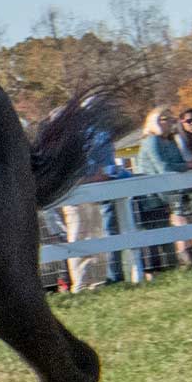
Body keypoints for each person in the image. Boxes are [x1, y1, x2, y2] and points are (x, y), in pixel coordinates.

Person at [59, 100, 116, 292]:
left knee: (96, 233)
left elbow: (106, 165)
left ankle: (98, 281)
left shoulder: (102, 134)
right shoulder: (70, 136)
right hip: (74, 193)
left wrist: (99, 176)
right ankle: (81, 284)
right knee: (79, 235)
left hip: (94, 191)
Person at [136, 107, 192, 269]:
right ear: (156, 122)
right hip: (150, 198)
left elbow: (179, 162)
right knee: (154, 238)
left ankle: (173, 268)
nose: (171, 122)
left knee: (167, 236)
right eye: (167, 119)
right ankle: (152, 274)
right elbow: (163, 167)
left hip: (166, 196)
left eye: (172, 119)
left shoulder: (170, 142)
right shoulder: (151, 141)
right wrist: (191, 164)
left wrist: (189, 164)